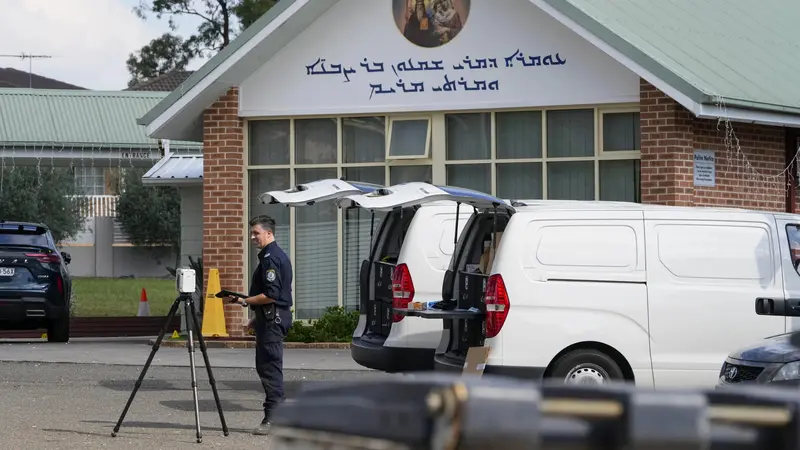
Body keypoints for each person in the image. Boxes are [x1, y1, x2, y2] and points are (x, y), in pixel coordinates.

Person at [227, 215, 293, 435]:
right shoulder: (271, 255)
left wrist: (246, 301)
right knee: (268, 367)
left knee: (269, 368)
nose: (253, 237)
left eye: (256, 232)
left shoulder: (271, 258)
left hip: (273, 319)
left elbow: (272, 295)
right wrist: (254, 316)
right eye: (252, 233)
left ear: (269, 233)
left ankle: (274, 419)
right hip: (270, 317)